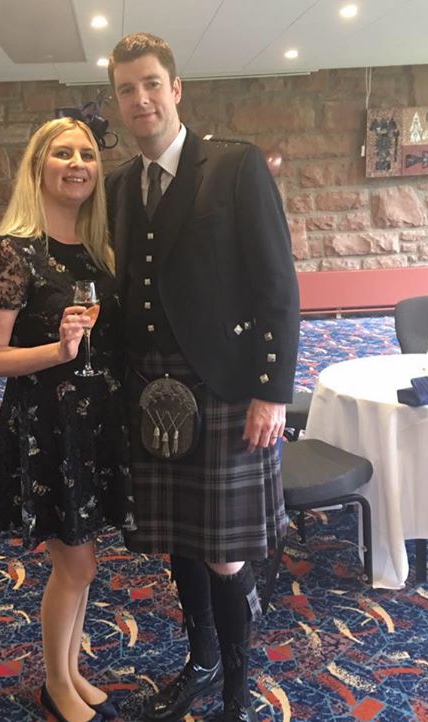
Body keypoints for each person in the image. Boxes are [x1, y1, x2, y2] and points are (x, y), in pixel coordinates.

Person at [105, 33, 300, 722]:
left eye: (151, 84)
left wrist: (272, 390)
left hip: (223, 389)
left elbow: (278, 286)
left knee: (224, 553)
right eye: (127, 89)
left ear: (176, 88)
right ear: (118, 101)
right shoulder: (120, 184)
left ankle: (238, 693)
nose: (141, 99)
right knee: (180, 540)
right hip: (151, 393)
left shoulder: (235, 166)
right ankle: (202, 662)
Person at [0, 117, 133, 722]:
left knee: (82, 564)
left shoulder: (97, 246)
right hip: (49, 426)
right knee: (76, 564)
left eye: (87, 154)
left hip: (96, 423)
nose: (77, 164)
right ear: (38, 166)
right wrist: (58, 352)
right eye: (62, 153)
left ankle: (70, 672)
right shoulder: (12, 250)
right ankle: (55, 685)